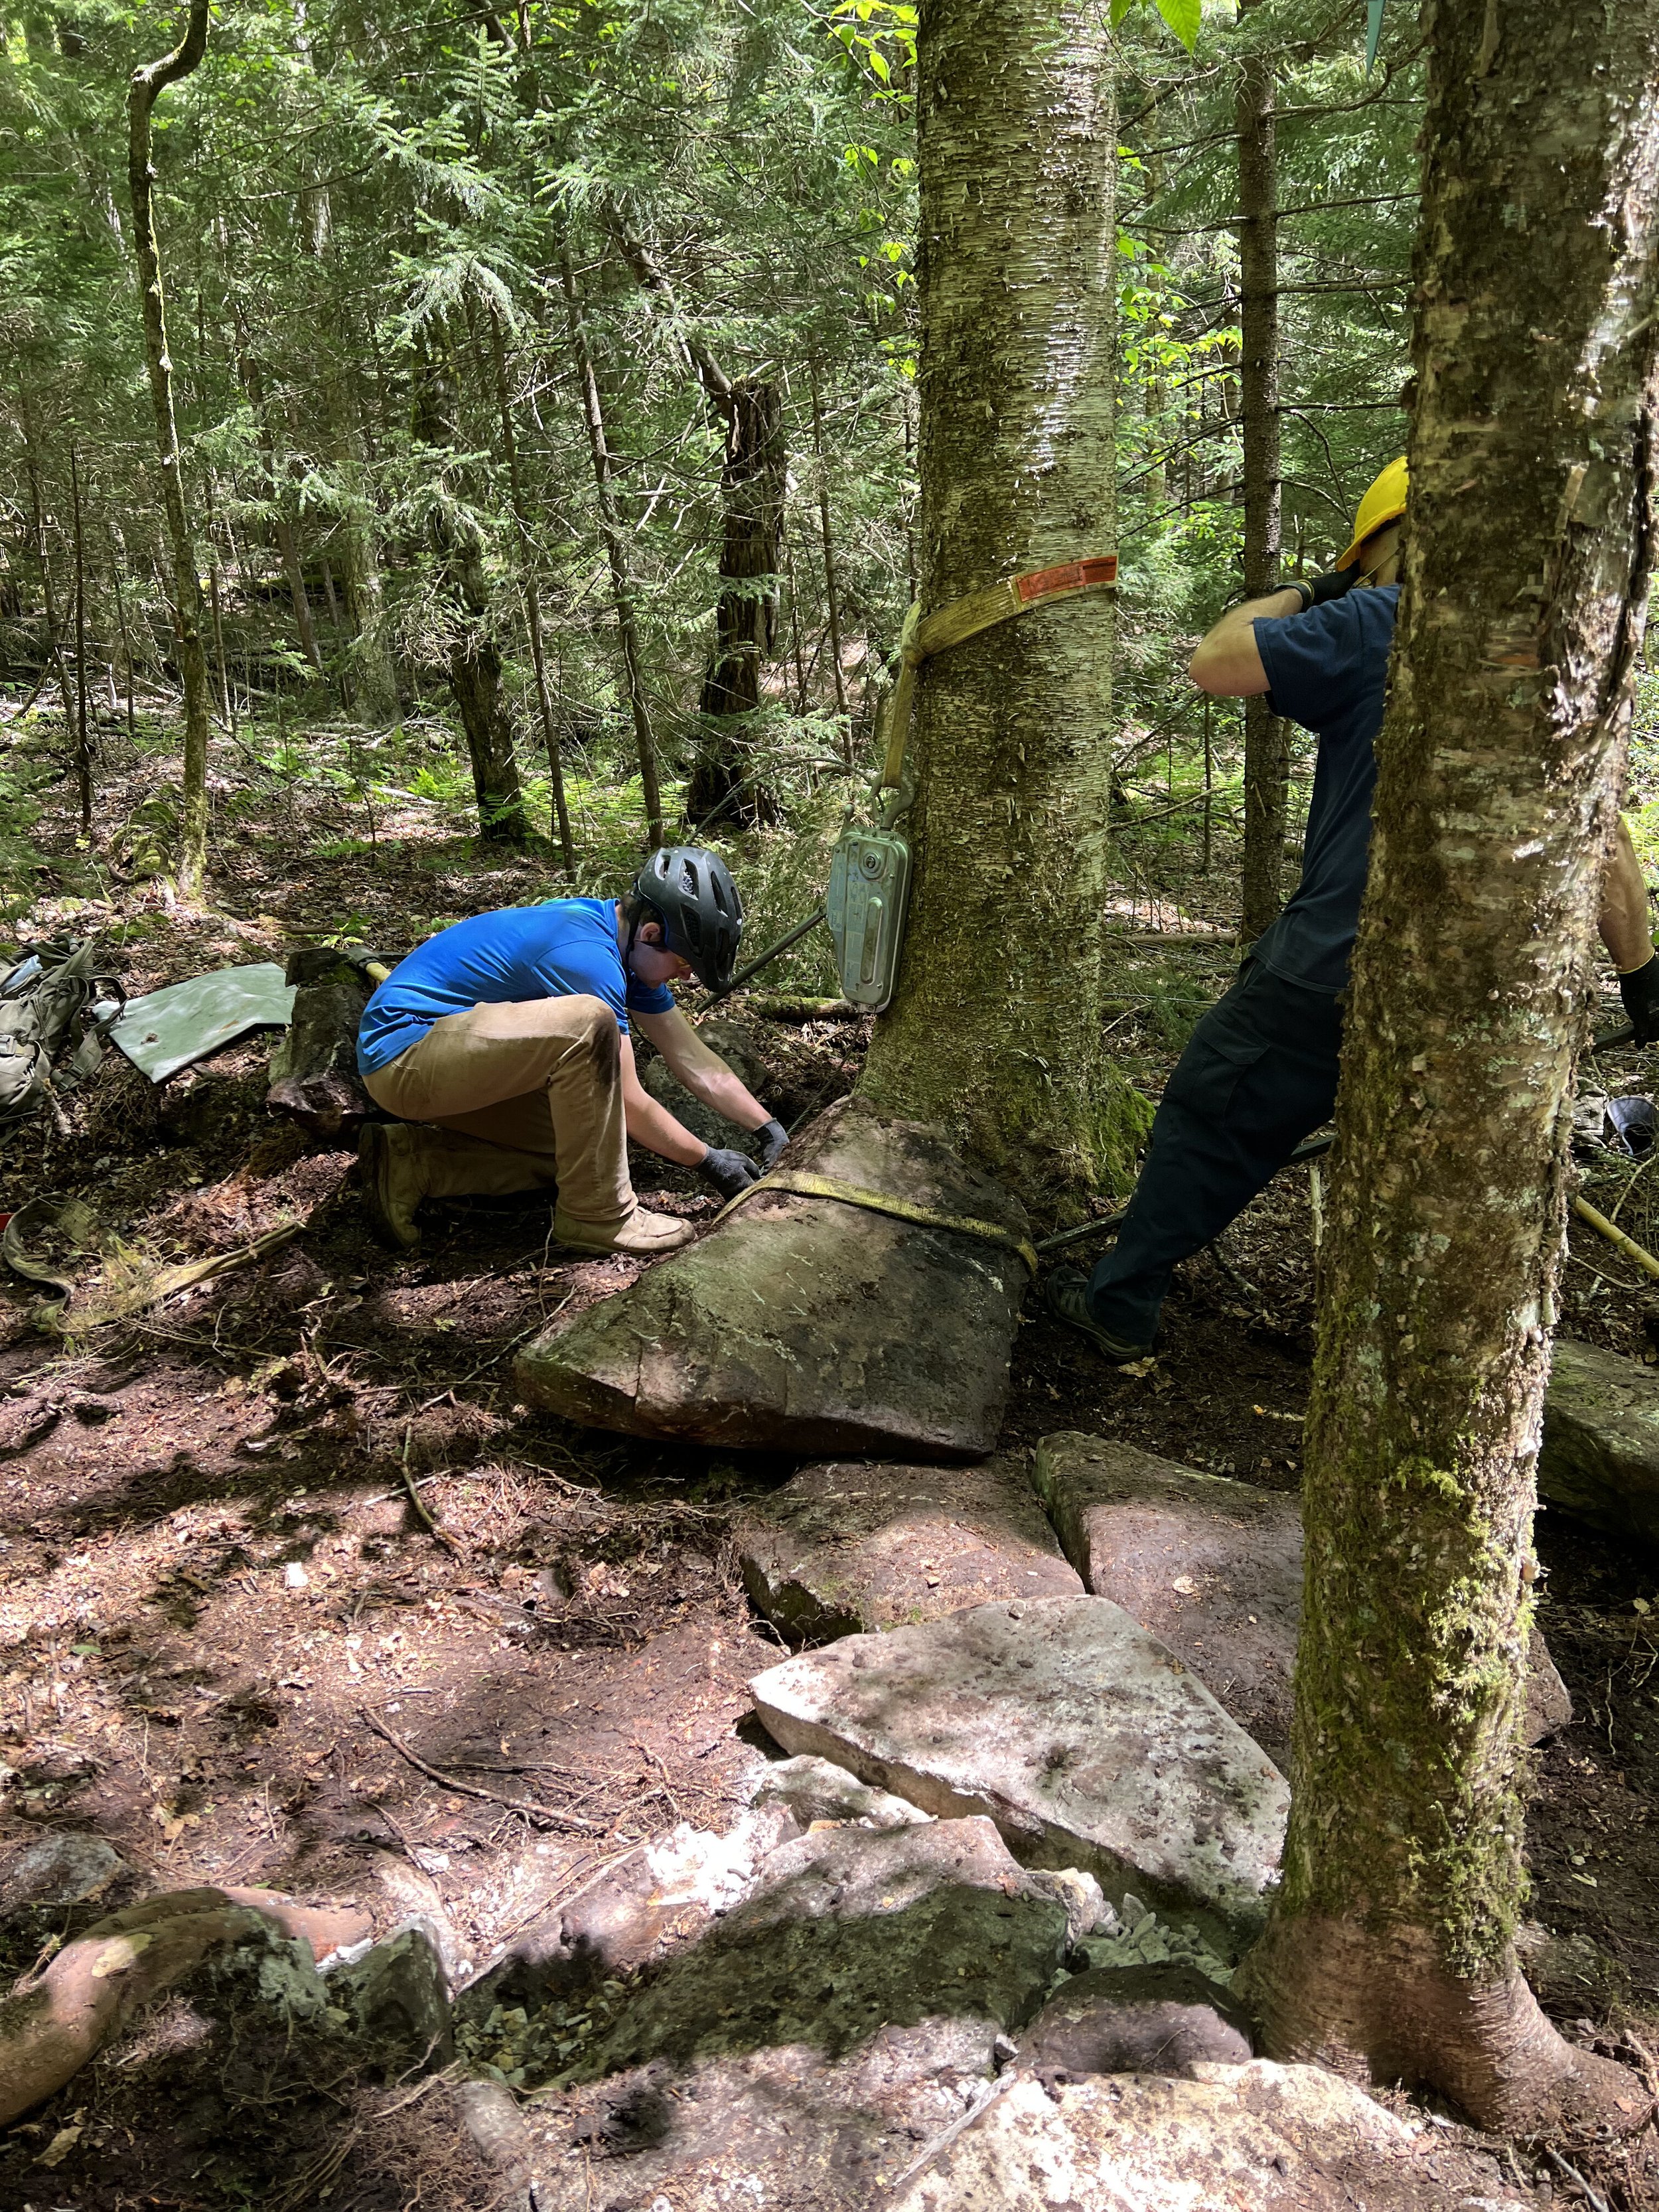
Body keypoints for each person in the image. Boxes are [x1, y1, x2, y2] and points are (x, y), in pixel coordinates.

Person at [1046, 457, 1659, 1361]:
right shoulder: (1565, 658)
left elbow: (1215, 662)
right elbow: (1606, 839)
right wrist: (1641, 976)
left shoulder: (1384, 621)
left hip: (1332, 970)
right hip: (1486, 1013)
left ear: (1388, 545)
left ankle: (1120, 1301)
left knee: (1213, 1106)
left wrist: (1308, 590)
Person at [354, 845, 789, 1255]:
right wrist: (709, 1160)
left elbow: (693, 1058)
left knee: (582, 1150)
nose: (687, 977)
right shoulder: (588, 957)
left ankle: (414, 1162)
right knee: (591, 1023)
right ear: (652, 932)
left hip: (445, 1061)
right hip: (405, 1057)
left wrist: (768, 1129)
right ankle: (599, 1216)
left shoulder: (626, 945)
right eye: (684, 964)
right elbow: (629, 1100)